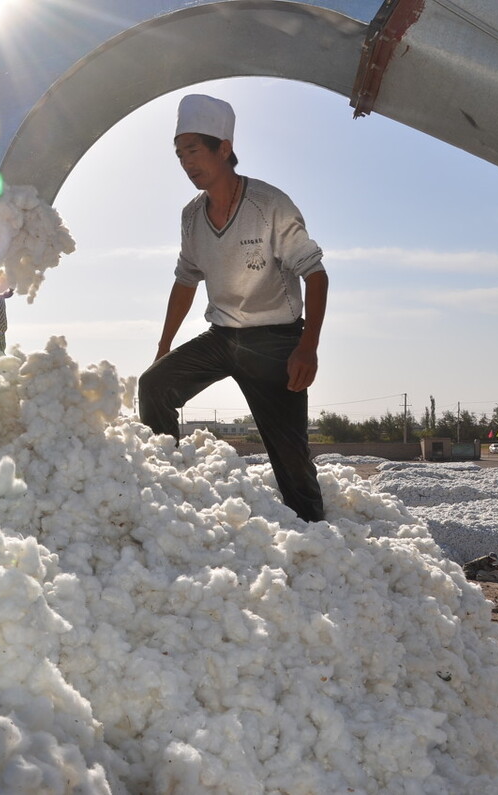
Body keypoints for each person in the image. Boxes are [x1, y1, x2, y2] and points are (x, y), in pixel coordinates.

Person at [138, 94, 328, 522]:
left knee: (292, 459)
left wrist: (307, 347)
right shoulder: (191, 217)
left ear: (223, 149)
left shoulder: (269, 205)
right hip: (223, 337)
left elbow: (316, 275)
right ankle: (166, 495)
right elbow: (186, 280)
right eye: (179, 153)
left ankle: (316, 537)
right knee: (154, 386)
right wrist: (164, 345)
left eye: (194, 150)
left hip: (276, 343)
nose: (187, 162)